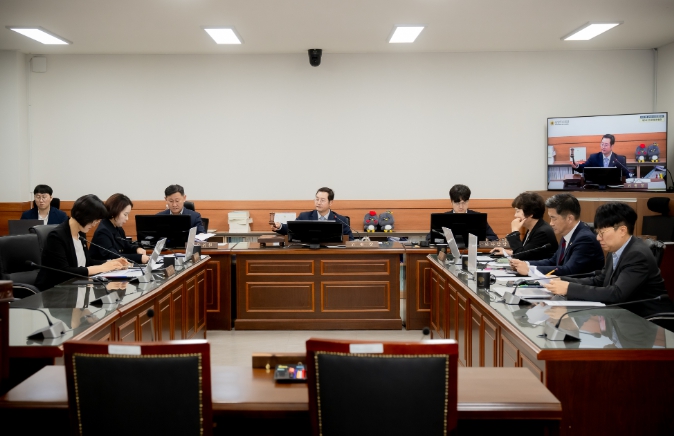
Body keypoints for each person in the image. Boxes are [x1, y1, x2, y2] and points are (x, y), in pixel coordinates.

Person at [544, 202, 674, 318]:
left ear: (622, 230)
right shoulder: (616, 249)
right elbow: (601, 280)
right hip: (624, 316)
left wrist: (569, 288)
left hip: (649, 321)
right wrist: (562, 280)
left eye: (602, 233)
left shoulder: (637, 254)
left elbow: (617, 294)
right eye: (597, 233)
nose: (598, 238)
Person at [35, 194, 128, 291]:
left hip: (76, 287)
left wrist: (111, 263)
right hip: (54, 292)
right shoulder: (56, 236)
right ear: (85, 216)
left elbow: (86, 262)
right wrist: (102, 268)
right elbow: (64, 272)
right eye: (95, 220)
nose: (95, 224)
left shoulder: (80, 233)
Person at [510, 194, 604, 276]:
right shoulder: (568, 234)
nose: (551, 223)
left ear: (569, 218)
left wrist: (530, 270)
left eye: (553, 218)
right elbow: (553, 261)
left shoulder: (585, 239)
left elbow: (569, 270)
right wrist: (525, 264)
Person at [490, 192, 558, 260]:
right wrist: (507, 252)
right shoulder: (534, 228)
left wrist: (514, 232)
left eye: (518, 211)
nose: (515, 215)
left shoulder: (542, 232)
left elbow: (521, 257)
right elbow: (526, 252)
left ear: (530, 213)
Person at [271, 187, 354, 240]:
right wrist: (280, 226)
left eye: (322, 200)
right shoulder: (304, 216)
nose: (318, 202)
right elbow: (291, 229)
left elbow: (350, 239)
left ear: (330, 202)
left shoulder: (341, 220)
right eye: (317, 199)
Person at [91, 193, 150, 264]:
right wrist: (139, 258)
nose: (127, 218)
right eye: (125, 214)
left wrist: (137, 249)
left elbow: (126, 246)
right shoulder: (103, 231)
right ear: (115, 211)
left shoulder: (118, 228)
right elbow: (112, 256)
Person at [427, 184, 498, 242]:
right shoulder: (442, 218)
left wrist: (483, 240)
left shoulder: (478, 218)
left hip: (473, 251)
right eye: (457, 203)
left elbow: (493, 237)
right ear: (451, 202)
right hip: (449, 251)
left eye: (464, 203)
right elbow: (429, 238)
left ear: (468, 201)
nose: (461, 207)